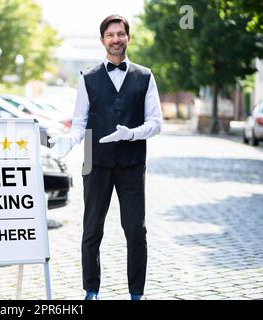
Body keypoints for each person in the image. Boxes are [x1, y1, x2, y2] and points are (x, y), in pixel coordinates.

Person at [49, 14, 163, 300]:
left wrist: (132, 134)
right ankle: (91, 290)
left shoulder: (145, 76)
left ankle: (137, 292)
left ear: (128, 37)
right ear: (102, 40)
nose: (116, 39)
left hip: (132, 161)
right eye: (110, 35)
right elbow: (79, 123)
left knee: (136, 229)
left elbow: (156, 122)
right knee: (92, 229)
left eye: (120, 34)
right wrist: (70, 140)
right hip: (93, 158)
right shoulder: (87, 77)